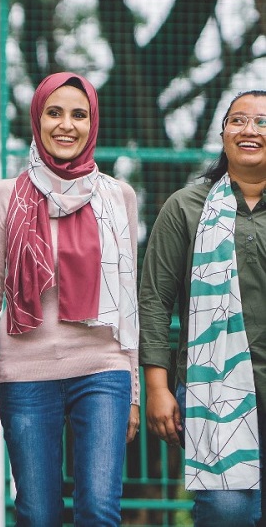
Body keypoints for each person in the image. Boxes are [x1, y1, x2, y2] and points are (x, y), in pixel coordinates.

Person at [0, 72, 141, 526]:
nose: (66, 125)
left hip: (103, 371)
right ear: (38, 118)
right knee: (37, 512)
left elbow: (128, 300)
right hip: (26, 374)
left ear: (93, 124)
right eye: (54, 112)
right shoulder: (6, 195)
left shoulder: (117, 197)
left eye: (79, 114)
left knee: (99, 510)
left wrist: (134, 391)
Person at [141, 90, 266, 526]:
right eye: (238, 120)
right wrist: (157, 388)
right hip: (215, 394)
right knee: (226, 513)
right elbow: (154, 300)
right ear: (223, 132)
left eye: (262, 122)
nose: (250, 129)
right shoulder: (186, 208)